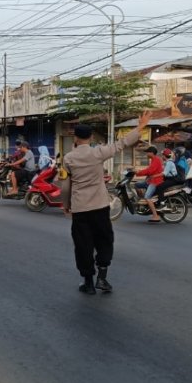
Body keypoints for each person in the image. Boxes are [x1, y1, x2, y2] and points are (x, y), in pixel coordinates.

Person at [60, 111, 151, 294]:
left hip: (80, 209)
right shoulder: (99, 152)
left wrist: (66, 205)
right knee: (104, 241)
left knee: (83, 245)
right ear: (91, 137)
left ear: (75, 138)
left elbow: (65, 187)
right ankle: (102, 278)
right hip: (100, 207)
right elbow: (122, 143)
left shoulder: (68, 159)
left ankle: (88, 283)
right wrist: (140, 126)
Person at [134, 146, 164, 222]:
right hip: (150, 181)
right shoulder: (153, 160)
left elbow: (149, 171)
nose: (146, 154)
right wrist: (138, 171)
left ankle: (155, 216)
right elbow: (149, 171)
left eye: (147, 152)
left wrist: (139, 172)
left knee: (147, 197)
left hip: (155, 182)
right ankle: (143, 201)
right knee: (136, 185)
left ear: (151, 153)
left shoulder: (156, 160)